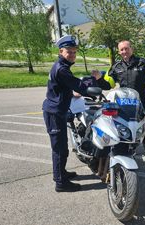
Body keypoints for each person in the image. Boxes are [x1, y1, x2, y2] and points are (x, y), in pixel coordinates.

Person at [42, 35, 102, 192]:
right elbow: (80, 85)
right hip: (55, 113)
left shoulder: (61, 66)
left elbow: (64, 86)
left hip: (58, 110)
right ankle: (60, 183)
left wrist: (70, 93)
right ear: (61, 51)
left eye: (75, 52)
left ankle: (62, 173)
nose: (73, 55)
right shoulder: (62, 69)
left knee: (62, 148)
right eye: (69, 51)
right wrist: (93, 80)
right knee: (59, 149)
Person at [97, 40, 145, 176]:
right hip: (122, 105)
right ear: (119, 52)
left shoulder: (144, 63)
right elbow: (108, 85)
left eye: (126, 49)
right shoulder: (116, 67)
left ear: (132, 48)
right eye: (121, 50)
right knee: (120, 131)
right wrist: (98, 79)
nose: (124, 52)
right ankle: (120, 158)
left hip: (141, 105)